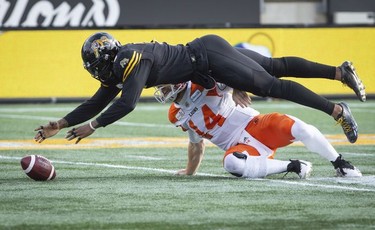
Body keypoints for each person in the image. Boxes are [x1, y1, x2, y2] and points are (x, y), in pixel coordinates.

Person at [34, 32, 366, 144]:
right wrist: (61, 123)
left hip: (209, 57)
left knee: (269, 83)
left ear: (105, 58)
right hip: (208, 60)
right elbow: (97, 101)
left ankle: (337, 110)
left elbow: (129, 102)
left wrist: (92, 127)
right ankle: (340, 71)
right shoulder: (118, 66)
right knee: (273, 66)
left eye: (96, 66)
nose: (98, 74)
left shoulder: (127, 58)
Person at [153, 81, 362, 178]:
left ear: (179, 82)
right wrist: (190, 171)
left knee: (299, 128)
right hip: (243, 147)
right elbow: (196, 143)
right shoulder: (175, 114)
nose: (161, 91)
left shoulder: (203, 83)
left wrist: (235, 87)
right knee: (231, 163)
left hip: (256, 126)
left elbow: (232, 73)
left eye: (163, 86)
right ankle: (293, 166)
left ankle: (340, 163)